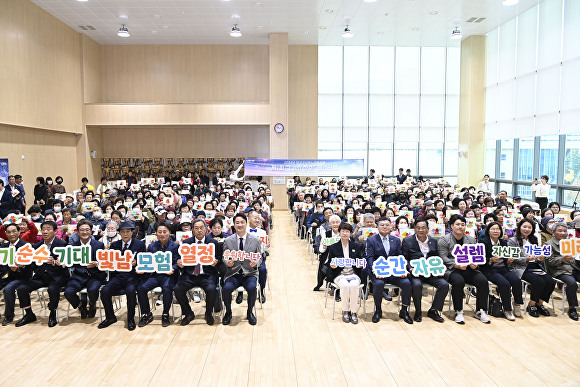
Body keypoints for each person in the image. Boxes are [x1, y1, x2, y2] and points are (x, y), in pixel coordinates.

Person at [16, 221, 70, 327]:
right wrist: (23, 265)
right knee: (22, 289)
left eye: (48, 229)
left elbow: (68, 263)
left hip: (57, 276)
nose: (45, 231)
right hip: (41, 276)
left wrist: (56, 262)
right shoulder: (36, 246)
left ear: (55, 231)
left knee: (53, 289)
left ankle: (52, 313)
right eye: (43, 229)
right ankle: (29, 314)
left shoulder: (62, 244)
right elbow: (33, 265)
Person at [438, 214, 490, 324]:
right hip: (452, 269)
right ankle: (458, 311)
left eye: (463, 224)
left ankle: (481, 310)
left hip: (469, 269)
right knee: (458, 282)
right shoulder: (444, 239)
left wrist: (475, 263)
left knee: (483, 281)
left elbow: (476, 256)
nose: (460, 227)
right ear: (451, 226)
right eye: (457, 224)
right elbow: (442, 257)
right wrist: (456, 265)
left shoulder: (471, 240)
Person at [99, 220, 146, 330]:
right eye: (123, 232)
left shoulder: (139, 244)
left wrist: (137, 263)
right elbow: (110, 262)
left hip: (133, 277)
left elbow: (144, 261)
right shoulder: (115, 245)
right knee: (105, 291)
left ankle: (130, 319)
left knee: (130, 292)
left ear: (132, 232)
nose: (125, 234)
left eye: (128, 231)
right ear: (119, 233)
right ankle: (110, 317)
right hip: (118, 276)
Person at [366, 216, 413, 324]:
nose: (384, 227)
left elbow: (400, 256)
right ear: (377, 227)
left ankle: (404, 310)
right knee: (378, 284)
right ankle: (378, 310)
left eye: (387, 225)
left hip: (394, 272)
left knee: (406, 283)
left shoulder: (396, 240)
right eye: (382, 225)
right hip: (379, 272)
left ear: (391, 226)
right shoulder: (371, 240)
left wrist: (402, 270)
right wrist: (374, 270)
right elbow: (370, 258)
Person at [175, 219, 221, 326]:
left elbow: (219, 259)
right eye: (196, 228)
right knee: (178, 289)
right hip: (190, 274)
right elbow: (181, 259)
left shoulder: (213, 243)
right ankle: (188, 313)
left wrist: (216, 263)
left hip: (207, 274)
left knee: (211, 289)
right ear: (192, 230)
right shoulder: (186, 243)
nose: (199, 230)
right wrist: (180, 264)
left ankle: (208, 313)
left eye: (201, 228)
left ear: (206, 229)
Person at [401, 219, 448, 323]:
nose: (420, 230)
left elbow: (437, 258)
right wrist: (410, 268)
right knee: (417, 286)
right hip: (416, 272)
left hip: (431, 272)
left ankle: (434, 310)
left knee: (444, 285)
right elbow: (404, 258)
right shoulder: (407, 241)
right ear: (414, 229)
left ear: (427, 229)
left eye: (423, 228)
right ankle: (418, 311)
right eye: (418, 227)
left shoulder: (434, 241)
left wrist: (440, 268)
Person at [507, 218, 554, 318]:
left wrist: (540, 258)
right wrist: (526, 259)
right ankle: (531, 305)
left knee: (550, 281)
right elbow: (512, 258)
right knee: (539, 281)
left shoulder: (534, 240)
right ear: (519, 228)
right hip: (520, 267)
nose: (526, 229)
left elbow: (536, 256)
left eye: (529, 227)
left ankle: (539, 304)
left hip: (533, 265)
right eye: (524, 227)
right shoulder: (513, 240)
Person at [221, 213, 262, 326]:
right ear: (233, 225)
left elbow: (260, 256)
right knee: (226, 289)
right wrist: (227, 262)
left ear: (246, 223)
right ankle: (228, 313)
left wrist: (256, 263)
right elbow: (225, 256)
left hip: (250, 272)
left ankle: (250, 312)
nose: (240, 225)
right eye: (237, 223)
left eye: (242, 222)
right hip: (233, 272)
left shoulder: (256, 240)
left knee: (252, 288)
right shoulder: (228, 240)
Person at [137, 223, 180, 328]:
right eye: (159, 232)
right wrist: (143, 269)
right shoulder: (151, 246)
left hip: (169, 275)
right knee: (141, 288)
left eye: (165, 232)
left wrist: (173, 268)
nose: (162, 234)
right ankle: (146, 314)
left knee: (166, 288)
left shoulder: (175, 246)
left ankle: (165, 314)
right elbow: (149, 262)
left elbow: (178, 262)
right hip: (155, 275)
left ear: (169, 233)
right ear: (155, 233)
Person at [64, 219, 106, 320]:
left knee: (93, 290)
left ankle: (92, 305)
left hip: (94, 275)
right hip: (78, 275)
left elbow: (104, 261)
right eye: (82, 230)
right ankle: (81, 306)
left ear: (91, 231)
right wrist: (62, 262)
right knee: (68, 292)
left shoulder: (99, 245)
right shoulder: (73, 246)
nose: (85, 232)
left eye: (87, 230)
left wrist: (96, 264)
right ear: (77, 232)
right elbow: (68, 261)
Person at [480, 221, 523, 321]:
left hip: (503, 268)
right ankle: (507, 309)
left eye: (498, 229)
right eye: (493, 229)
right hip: (490, 270)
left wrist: (509, 260)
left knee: (516, 281)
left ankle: (517, 304)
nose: (495, 231)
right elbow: (480, 260)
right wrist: (490, 260)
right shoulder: (483, 242)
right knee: (505, 284)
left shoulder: (503, 242)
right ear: (488, 231)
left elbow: (505, 259)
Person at [325, 223, 363, 324]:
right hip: (339, 274)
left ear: (350, 233)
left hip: (353, 274)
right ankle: (345, 311)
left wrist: (360, 265)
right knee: (345, 286)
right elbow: (329, 262)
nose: (345, 233)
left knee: (354, 286)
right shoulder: (333, 247)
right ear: (339, 232)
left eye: (347, 232)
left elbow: (360, 260)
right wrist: (332, 265)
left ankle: (354, 312)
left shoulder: (356, 246)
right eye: (343, 231)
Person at [545, 222, 580, 320]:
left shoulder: (571, 243)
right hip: (559, 271)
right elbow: (550, 262)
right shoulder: (548, 244)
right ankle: (572, 308)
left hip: (575, 268)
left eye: (565, 231)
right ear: (553, 232)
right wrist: (563, 259)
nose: (563, 233)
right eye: (560, 231)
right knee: (572, 283)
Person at [1, 224, 34, 325]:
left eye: (14, 231)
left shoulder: (26, 246)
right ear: (5, 233)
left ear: (19, 232)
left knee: (8, 289)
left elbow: (31, 266)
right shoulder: (3, 247)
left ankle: (9, 315)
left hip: (22, 276)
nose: (12, 234)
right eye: (9, 232)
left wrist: (20, 267)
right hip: (7, 275)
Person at [313, 214, 341, 292]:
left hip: (340, 256)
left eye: (337, 222)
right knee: (324, 262)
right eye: (333, 222)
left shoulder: (343, 233)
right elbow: (321, 250)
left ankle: (335, 287)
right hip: (328, 254)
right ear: (330, 224)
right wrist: (324, 246)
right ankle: (320, 283)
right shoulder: (327, 234)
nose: (335, 224)